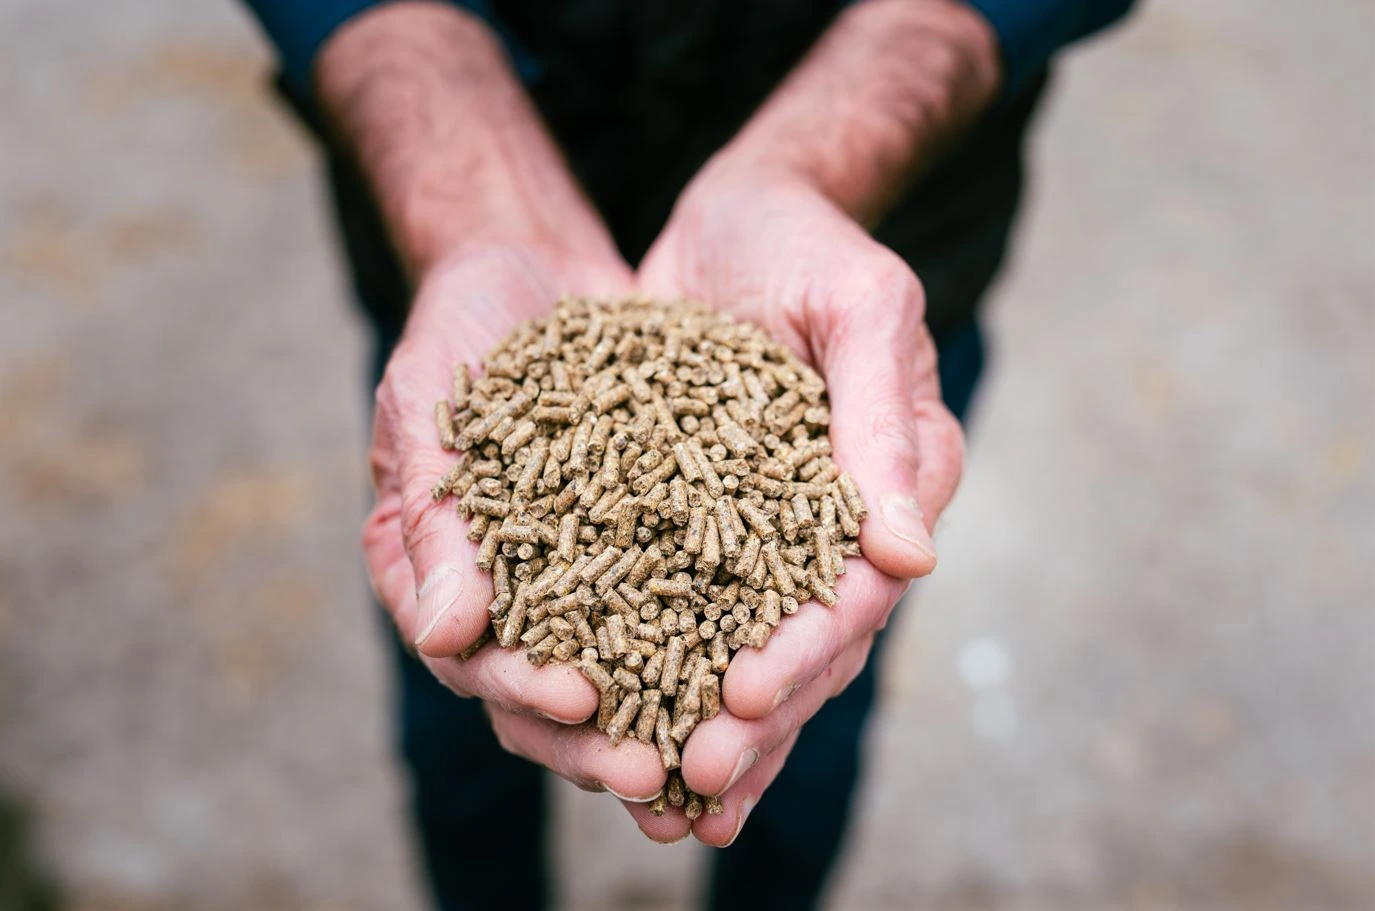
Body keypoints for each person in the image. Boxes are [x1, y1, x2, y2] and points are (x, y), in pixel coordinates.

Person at [240, 1, 1134, 908]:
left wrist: (847, 123)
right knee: (457, 651)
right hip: (457, 273)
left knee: (806, 692)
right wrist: (461, 177)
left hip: (839, 307)